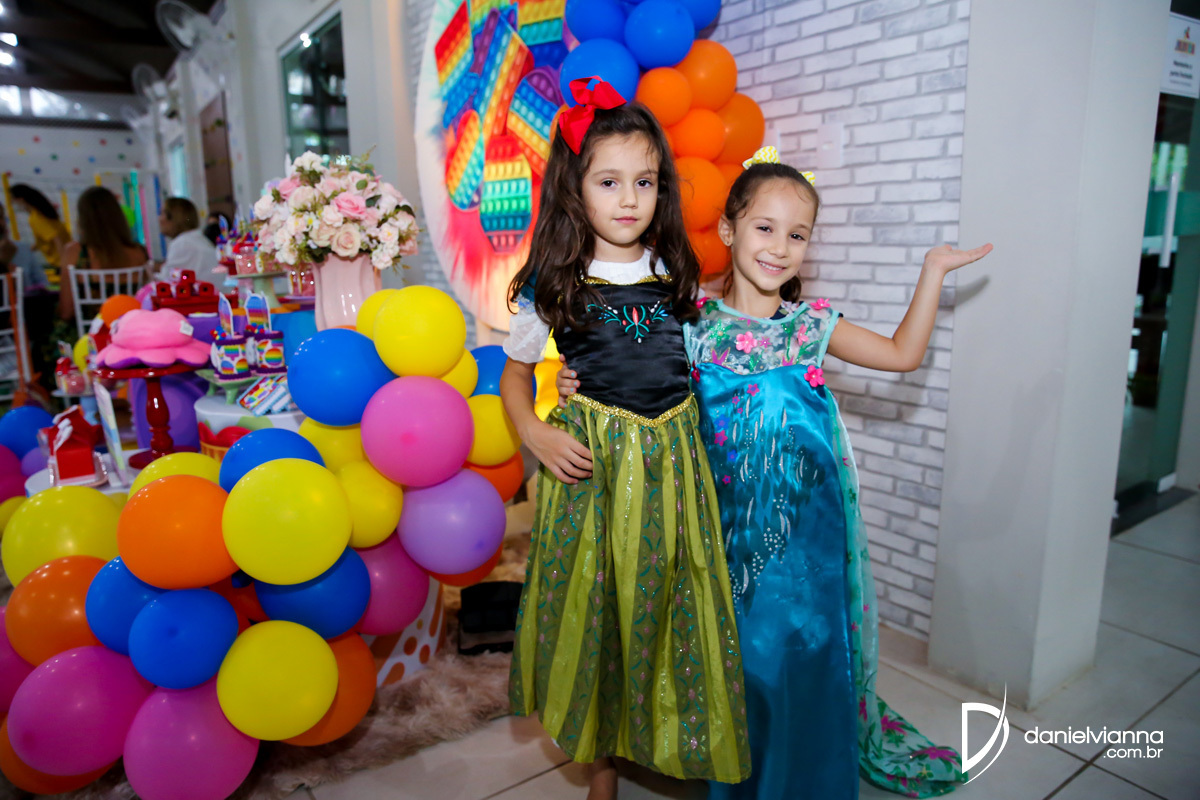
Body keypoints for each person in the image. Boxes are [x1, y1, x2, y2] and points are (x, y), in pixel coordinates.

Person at [557, 147, 991, 799]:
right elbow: (625, 381)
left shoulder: (812, 327)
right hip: (716, 534)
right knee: (734, 660)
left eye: (798, 235)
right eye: (765, 228)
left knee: (802, 656)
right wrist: (572, 381)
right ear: (728, 230)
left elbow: (903, 354)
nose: (780, 247)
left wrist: (931, 272)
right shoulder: (689, 325)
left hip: (806, 540)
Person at [500, 79, 751, 800]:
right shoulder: (554, 280)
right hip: (596, 472)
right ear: (574, 188)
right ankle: (602, 763)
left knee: (670, 599)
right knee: (602, 607)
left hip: (673, 466)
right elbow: (514, 376)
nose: (629, 199)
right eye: (609, 182)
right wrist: (535, 432)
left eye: (645, 181)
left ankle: (675, 736)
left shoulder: (675, 271)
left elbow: (701, 360)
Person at [61, 187, 149, 320]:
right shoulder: (139, 252)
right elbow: (146, 298)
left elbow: (66, 311)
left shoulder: (75, 252)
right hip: (131, 326)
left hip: (89, 328)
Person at [8, 184, 69, 290]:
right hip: (67, 259)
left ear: (21, 199)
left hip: (60, 263)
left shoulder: (36, 218)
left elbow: (56, 239)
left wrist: (64, 265)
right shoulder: (44, 214)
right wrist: (24, 251)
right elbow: (43, 241)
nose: (12, 203)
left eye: (12, 200)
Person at [158, 197, 221, 284]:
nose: (159, 219)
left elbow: (167, 281)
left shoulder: (182, 243)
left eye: (162, 214)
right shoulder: (195, 239)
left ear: (174, 217)